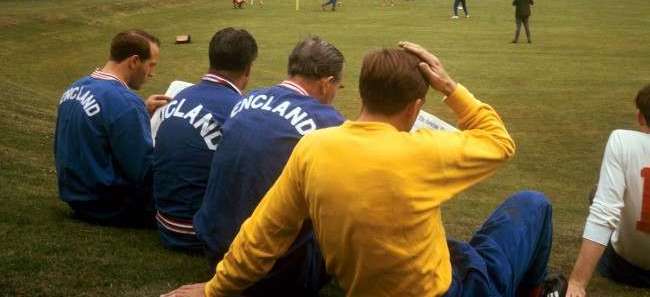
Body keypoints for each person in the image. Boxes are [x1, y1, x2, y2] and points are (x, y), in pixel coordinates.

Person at [163, 42, 566, 297]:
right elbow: (500, 142)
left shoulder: (313, 148)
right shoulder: (424, 152)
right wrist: (451, 87)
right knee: (532, 204)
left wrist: (214, 290)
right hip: (448, 290)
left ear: (360, 92)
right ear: (415, 107)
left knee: (452, 247)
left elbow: (262, 234)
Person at [192, 37, 346, 296]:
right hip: (269, 270)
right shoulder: (327, 122)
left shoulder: (247, 99)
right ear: (326, 83)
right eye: (338, 87)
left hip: (215, 247)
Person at [153, 28, 258, 252]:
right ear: (248, 68)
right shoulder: (240, 110)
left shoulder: (180, 96)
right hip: (199, 233)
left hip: (165, 221)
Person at [54, 29, 168, 226]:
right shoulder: (126, 103)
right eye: (151, 65)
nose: (152, 73)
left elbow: (102, 115)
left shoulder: (75, 87)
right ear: (134, 61)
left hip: (76, 195)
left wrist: (141, 109)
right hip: (109, 204)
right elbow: (144, 171)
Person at [566, 85, 650, 295]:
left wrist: (577, 283)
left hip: (627, 269)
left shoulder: (623, 141)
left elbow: (604, 213)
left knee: (597, 195)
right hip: (630, 267)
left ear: (640, 117)